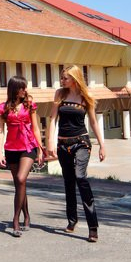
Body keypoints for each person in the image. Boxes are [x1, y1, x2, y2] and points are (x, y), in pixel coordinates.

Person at [46, 65, 106, 243]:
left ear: (74, 78)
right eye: (61, 77)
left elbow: (93, 122)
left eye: (65, 78)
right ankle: (72, 220)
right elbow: (53, 118)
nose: (62, 81)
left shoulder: (86, 96)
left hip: (81, 142)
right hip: (63, 144)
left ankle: (93, 227)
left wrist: (102, 145)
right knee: (69, 182)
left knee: (80, 177)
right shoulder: (60, 94)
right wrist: (50, 142)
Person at [0, 75, 43, 238]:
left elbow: (36, 128)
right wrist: (0, 153)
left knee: (21, 179)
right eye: (22, 87)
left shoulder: (29, 105)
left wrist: (40, 149)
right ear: (14, 89)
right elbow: (0, 130)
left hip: (28, 146)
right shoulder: (2, 108)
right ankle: (27, 216)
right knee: (19, 185)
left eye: (25, 87)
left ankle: (15, 219)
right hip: (11, 148)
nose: (25, 90)